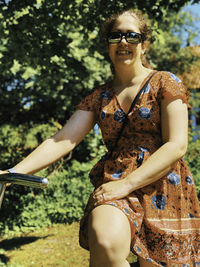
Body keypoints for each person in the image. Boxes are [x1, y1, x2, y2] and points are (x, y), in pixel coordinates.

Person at [1, 9, 200, 267]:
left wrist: (129, 183)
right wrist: (12, 171)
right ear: (107, 44)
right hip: (115, 184)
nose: (124, 42)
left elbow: (176, 145)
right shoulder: (100, 96)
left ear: (144, 44)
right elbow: (62, 140)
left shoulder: (166, 82)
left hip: (164, 185)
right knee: (104, 242)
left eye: (132, 36)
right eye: (116, 36)